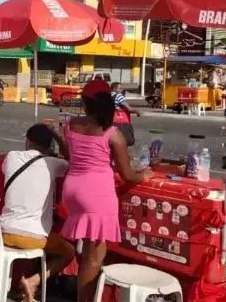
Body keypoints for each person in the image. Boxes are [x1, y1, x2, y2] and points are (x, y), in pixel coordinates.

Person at [60, 80, 153, 302]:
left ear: (85, 103)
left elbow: (71, 154)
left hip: (72, 189)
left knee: (87, 253)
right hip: (97, 194)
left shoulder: (71, 125)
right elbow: (128, 175)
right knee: (93, 258)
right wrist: (146, 175)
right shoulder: (113, 134)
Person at [1, 124, 74, 302]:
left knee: (28, 243)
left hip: (2, 232)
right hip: (33, 237)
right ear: (48, 146)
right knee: (69, 251)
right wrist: (57, 136)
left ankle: (19, 285)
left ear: (28, 141)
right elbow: (70, 160)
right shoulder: (54, 164)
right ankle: (34, 281)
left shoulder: (11, 157)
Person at [111, 82, 139, 146]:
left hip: (111, 121)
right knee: (124, 140)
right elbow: (129, 109)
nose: (122, 90)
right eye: (120, 88)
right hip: (121, 122)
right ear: (114, 89)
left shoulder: (108, 96)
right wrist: (137, 111)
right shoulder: (118, 96)